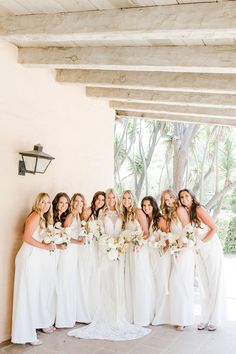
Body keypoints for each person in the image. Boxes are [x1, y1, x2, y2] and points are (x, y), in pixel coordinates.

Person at [68, 188, 151, 340]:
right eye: (108, 198)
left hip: (119, 252)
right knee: (105, 282)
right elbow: (97, 232)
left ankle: (118, 314)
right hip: (104, 252)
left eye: (113, 198)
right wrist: (105, 244)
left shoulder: (123, 214)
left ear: (116, 199)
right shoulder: (101, 214)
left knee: (118, 281)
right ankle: (104, 313)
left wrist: (119, 245)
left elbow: (127, 233)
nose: (111, 200)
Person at [11, 193, 56, 345]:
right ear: (37, 202)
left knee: (30, 295)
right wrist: (45, 246)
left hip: (34, 258)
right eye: (43, 202)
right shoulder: (36, 215)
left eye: (48, 202)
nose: (45, 205)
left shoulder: (42, 217)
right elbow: (26, 237)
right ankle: (26, 336)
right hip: (28, 257)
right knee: (27, 296)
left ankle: (27, 333)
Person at [178, 188, 226, 331]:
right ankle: (205, 317)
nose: (184, 199)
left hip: (211, 248)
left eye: (186, 196)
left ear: (192, 197)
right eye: (182, 197)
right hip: (199, 250)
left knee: (213, 283)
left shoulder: (198, 209)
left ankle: (215, 319)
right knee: (204, 284)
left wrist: (202, 244)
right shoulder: (187, 213)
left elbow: (214, 228)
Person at [160, 189, 195, 331]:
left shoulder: (180, 209)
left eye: (171, 198)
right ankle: (179, 317)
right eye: (166, 200)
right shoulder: (169, 214)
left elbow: (188, 228)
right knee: (176, 283)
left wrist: (183, 244)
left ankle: (183, 319)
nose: (169, 202)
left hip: (185, 250)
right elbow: (171, 233)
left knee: (181, 283)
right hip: (176, 250)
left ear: (175, 198)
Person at [121, 190, 154, 326]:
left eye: (129, 198)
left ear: (133, 198)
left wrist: (138, 242)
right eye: (124, 198)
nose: (126, 200)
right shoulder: (125, 214)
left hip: (139, 250)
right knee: (131, 279)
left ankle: (143, 316)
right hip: (129, 251)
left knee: (140, 279)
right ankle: (132, 315)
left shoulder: (138, 212)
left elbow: (146, 233)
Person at [55, 193, 85, 328]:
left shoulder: (78, 215)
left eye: (81, 202)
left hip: (75, 253)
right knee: (64, 281)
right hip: (67, 251)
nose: (79, 203)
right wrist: (78, 242)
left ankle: (69, 315)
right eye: (76, 201)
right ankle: (62, 318)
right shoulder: (71, 215)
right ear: (72, 202)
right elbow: (65, 233)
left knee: (71, 281)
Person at [141, 196, 171, 326]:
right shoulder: (148, 219)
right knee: (154, 283)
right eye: (144, 205)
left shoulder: (160, 219)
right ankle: (155, 312)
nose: (146, 208)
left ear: (154, 205)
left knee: (161, 282)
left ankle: (162, 315)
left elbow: (168, 236)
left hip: (160, 255)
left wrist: (163, 251)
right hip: (151, 255)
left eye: (149, 205)